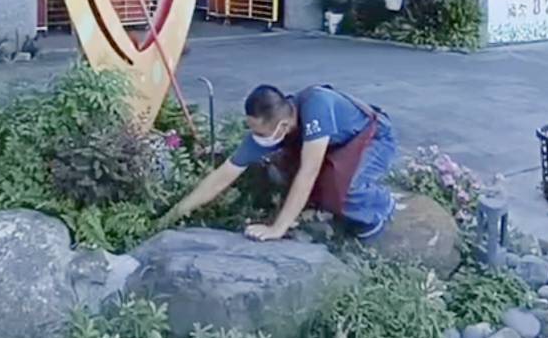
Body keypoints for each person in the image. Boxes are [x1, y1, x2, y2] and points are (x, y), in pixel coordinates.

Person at [161, 84, 398, 241]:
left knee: (347, 191)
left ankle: (381, 205)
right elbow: (222, 176)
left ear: (282, 126)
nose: (257, 138)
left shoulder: (317, 106)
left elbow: (309, 172)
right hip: (335, 147)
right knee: (283, 171)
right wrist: (171, 216)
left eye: (261, 132)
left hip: (373, 138)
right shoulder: (270, 128)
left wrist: (277, 228)